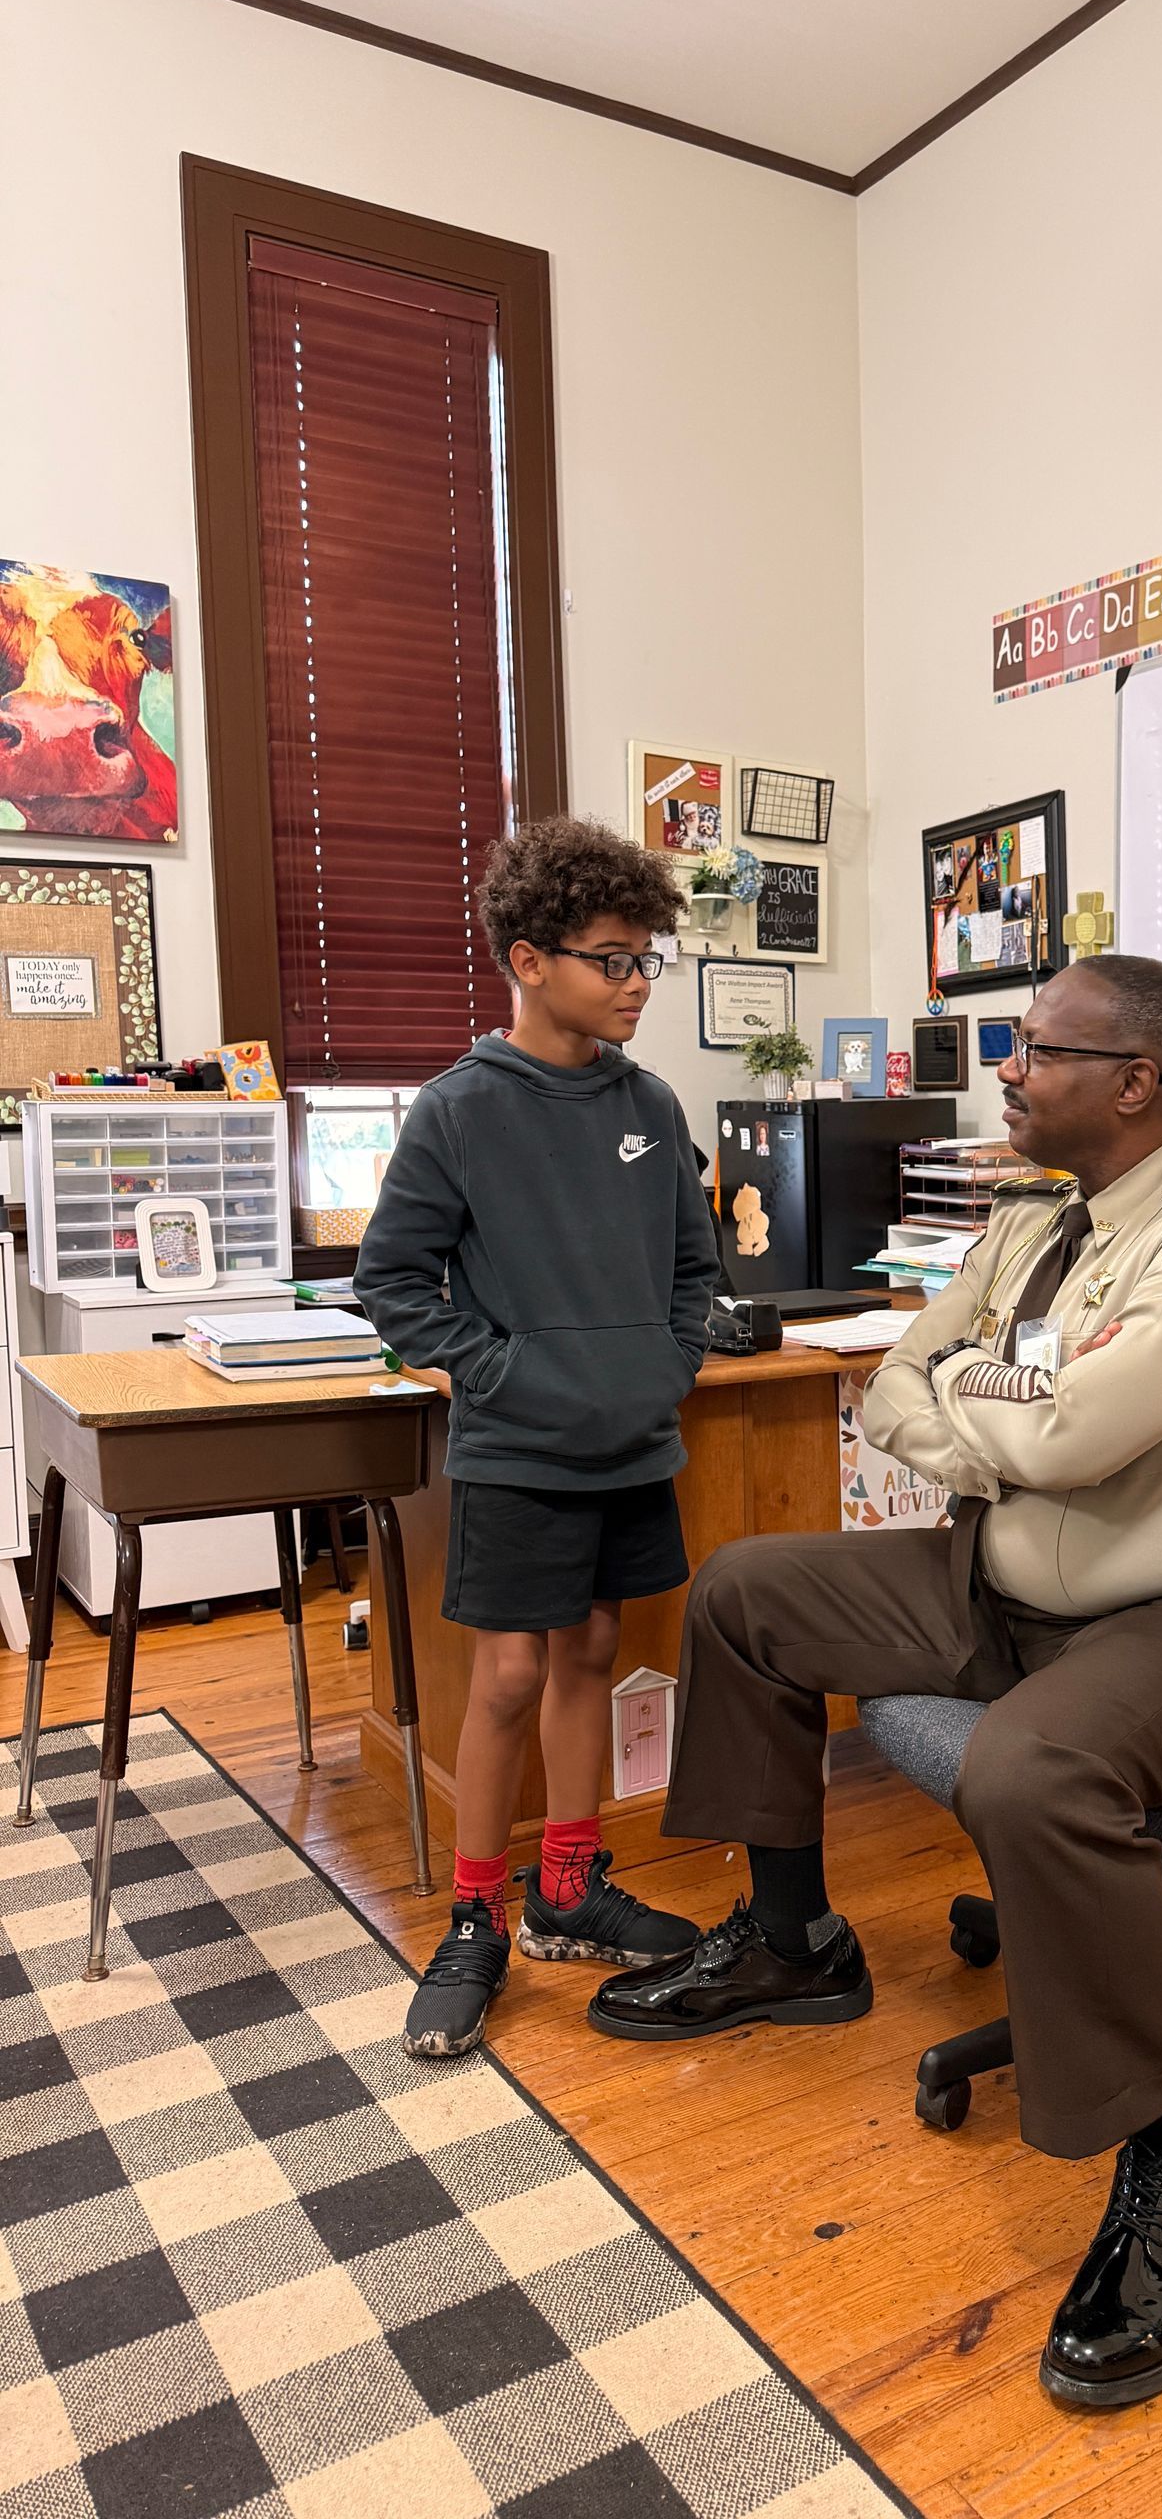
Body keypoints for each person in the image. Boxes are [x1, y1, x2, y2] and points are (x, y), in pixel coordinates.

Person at [590, 955, 1162, 2409]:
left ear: (1134, 1083)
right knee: (745, 1590)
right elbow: (897, 1381)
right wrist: (1007, 1407)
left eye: (1038, 1049)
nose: (1006, 1068)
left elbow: (1065, 1439)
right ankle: (794, 1942)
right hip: (1000, 1576)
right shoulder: (1033, 1218)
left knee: (1029, 1770)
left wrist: (985, 1407)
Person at [356, 819, 720, 2060]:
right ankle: (475, 1917)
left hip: (630, 1443)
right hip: (517, 1449)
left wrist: (666, 1363)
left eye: (646, 958)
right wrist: (500, 1370)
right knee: (509, 1674)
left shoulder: (649, 1103)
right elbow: (393, 1283)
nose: (636, 982)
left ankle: (568, 1889)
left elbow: (693, 1267)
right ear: (528, 960)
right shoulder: (459, 1110)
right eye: (612, 958)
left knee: (595, 1650)